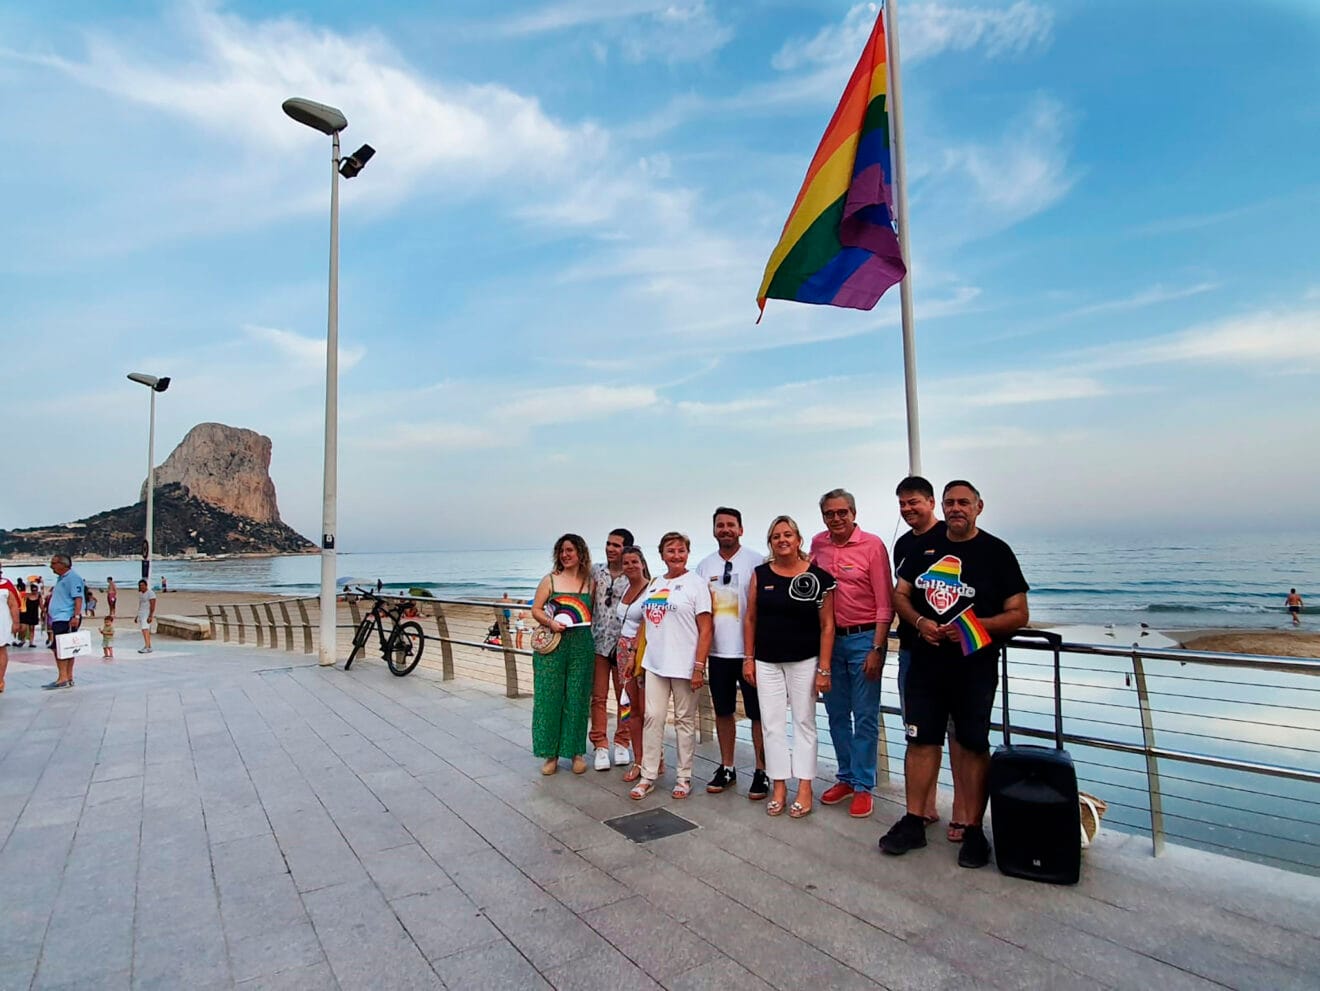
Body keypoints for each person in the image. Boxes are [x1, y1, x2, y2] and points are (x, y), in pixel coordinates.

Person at [880, 480, 1029, 869]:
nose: (956, 508)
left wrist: (972, 627)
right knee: (920, 741)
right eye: (950, 503)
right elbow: (900, 594)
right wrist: (919, 621)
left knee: (972, 744)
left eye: (964, 502)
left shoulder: (996, 552)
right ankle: (914, 820)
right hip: (925, 665)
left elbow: (1019, 614)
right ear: (941, 506)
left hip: (974, 666)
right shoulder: (922, 548)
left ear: (979, 506)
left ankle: (974, 828)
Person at [743, 516, 836, 818]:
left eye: (787, 535)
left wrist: (824, 669)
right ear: (770, 543)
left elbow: (828, 626)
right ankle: (779, 785)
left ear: (798, 540)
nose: (782, 540)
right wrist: (748, 658)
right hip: (766, 661)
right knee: (771, 725)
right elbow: (751, 618)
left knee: (804, 723)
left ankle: (805, 787)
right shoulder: (760, 574)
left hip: (805, 660)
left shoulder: (819, 577)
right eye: (776, 536)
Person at [810, 488, 894, 819]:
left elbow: (885, 603)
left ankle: (863, 785)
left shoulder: (872, 545)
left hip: (864, 640)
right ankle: (845, 777)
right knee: (836, 714)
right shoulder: (818, 544)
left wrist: (877, 648)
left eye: (842, 512)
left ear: (853, 513)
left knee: (865, 715)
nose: (836, 518)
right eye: (829, 513)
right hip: (830, 642)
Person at [893, 476, 969, 840]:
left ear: (931, 502)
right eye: (902, 504)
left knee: (958, 734)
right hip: (912, 651)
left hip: (956, 656)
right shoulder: (903, 545)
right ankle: (925, 807)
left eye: (914, 502)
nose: (908, 509)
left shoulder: (949, 538)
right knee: (920, 734)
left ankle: (962, 811)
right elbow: (901, 594)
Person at [629, 532, 712, 801]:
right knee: (652, 717)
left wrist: (699, 666)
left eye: (681, 550)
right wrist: (634, 654)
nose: (676, 555)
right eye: (670, 550)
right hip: (655, 663)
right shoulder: (656, 583)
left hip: (685, 665)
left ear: (687, 553)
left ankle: (684, 777)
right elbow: (645, 621)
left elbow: (706, 628)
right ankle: (648, 775)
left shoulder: (696, 584)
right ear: (661, 554)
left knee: (684, 721)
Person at [695, 507, 768, 799]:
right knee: (723, 712)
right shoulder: (704, 566)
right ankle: (727, 767)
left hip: (751, 653)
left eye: (730, 525)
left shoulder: (756, 561)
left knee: (758, 714)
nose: (725, 529)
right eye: (720, 525)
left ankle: (762, 770)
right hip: (718, 654)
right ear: (714, 530)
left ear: (741, 529)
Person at [530, 534, 595, 776]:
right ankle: (551, 754)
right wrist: (551, 622)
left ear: (580, 553)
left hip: (581, 645)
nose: (565, 555)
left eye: (570, 550)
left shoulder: (590, 582)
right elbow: (536, 609)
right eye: (562, 550)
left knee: (578, 698)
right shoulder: (550, 580)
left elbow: (593, 613)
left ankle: (576, 752)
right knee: (549, 698)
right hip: (553, 645)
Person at [589, 528, 635, 771]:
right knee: (598, 697)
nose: (610, 548)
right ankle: (600, 745)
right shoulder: (596, 571)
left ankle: (622, 741)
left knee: (624, 698)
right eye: (608, 543)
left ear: (626, 548)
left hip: (622, 647)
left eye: (616, 545)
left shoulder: (633, 573)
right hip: (597, 643)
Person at [614, 545, 654, 783]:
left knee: (648, 710)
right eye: (626, 563)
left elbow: (647, 622)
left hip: (641, 652)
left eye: (634, 562)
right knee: (630, 710)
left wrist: (633, 652)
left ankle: (653, 759)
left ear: (642, 563)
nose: (630, 566)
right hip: (623, 650)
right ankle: (639, 759)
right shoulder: (625, 589)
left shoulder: (651, 589)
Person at [45, 554, 85, 689]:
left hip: (66, 617)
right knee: (65, 647)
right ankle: (67, 677)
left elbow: (78, 598)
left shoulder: (73, 578)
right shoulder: (62, 578)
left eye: (53, 563)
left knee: (61, 648)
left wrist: (76, 616)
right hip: (59, 617)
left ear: (63, 564)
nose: (51, 566)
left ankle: (63, 677)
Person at [0, 566, 19, 691]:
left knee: (1, 649)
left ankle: (0, 680)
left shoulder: (6, 585)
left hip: (2, 623)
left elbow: (14, 605)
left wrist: (16, 623)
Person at [136, 579, 158, 653]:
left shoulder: (150, 593)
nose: (141, 587)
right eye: (140, 585)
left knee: (145, 629)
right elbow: (140, 604)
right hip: (141, 613)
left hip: (147, 613)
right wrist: (137, 615)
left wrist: (150, 615)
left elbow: (153, 605)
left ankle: (147, 646)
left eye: (143, 585)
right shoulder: (141, 594)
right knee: (144, 630)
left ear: (146, 585)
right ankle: (148, 645)